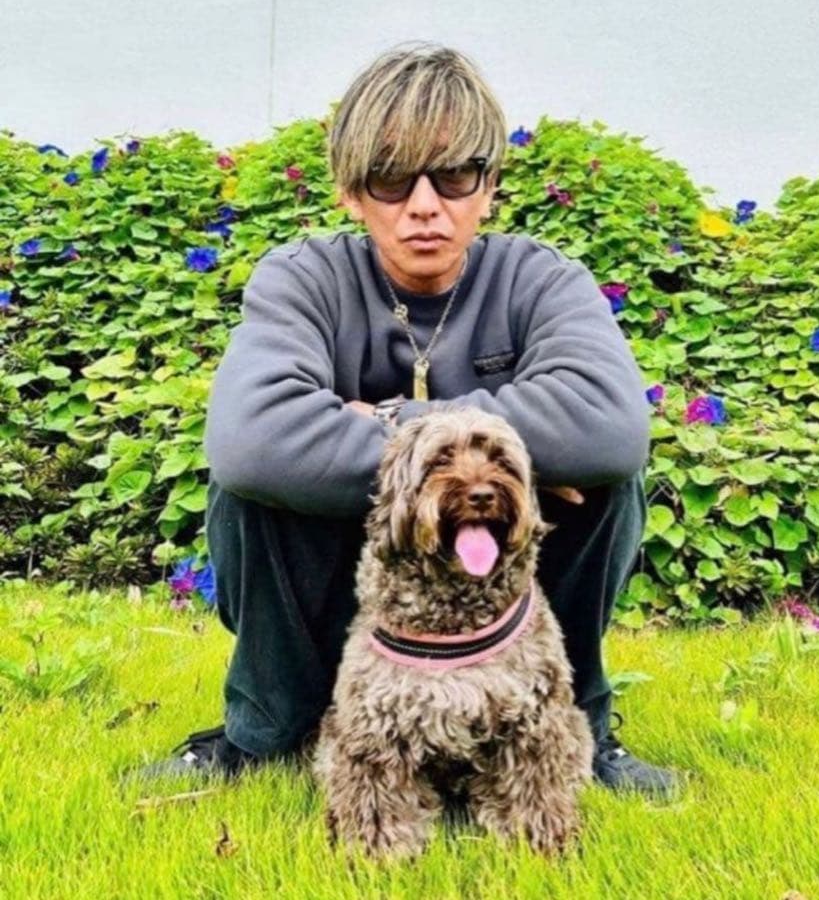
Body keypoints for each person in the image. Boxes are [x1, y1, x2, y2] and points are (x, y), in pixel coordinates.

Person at [139, 42, 680, 797]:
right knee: (250, 491)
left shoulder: (541, 279)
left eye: (453, 175)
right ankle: (267, 728)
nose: (425, 205)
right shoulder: (302, 279)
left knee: (603, 485)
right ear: (350, 191)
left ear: (489, 185)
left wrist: (397, 422)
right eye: (392, 178)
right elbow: (253, 441)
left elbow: (607, 428)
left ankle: (573, 725)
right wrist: (495, 451)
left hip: (503, 600)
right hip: (349, 590)